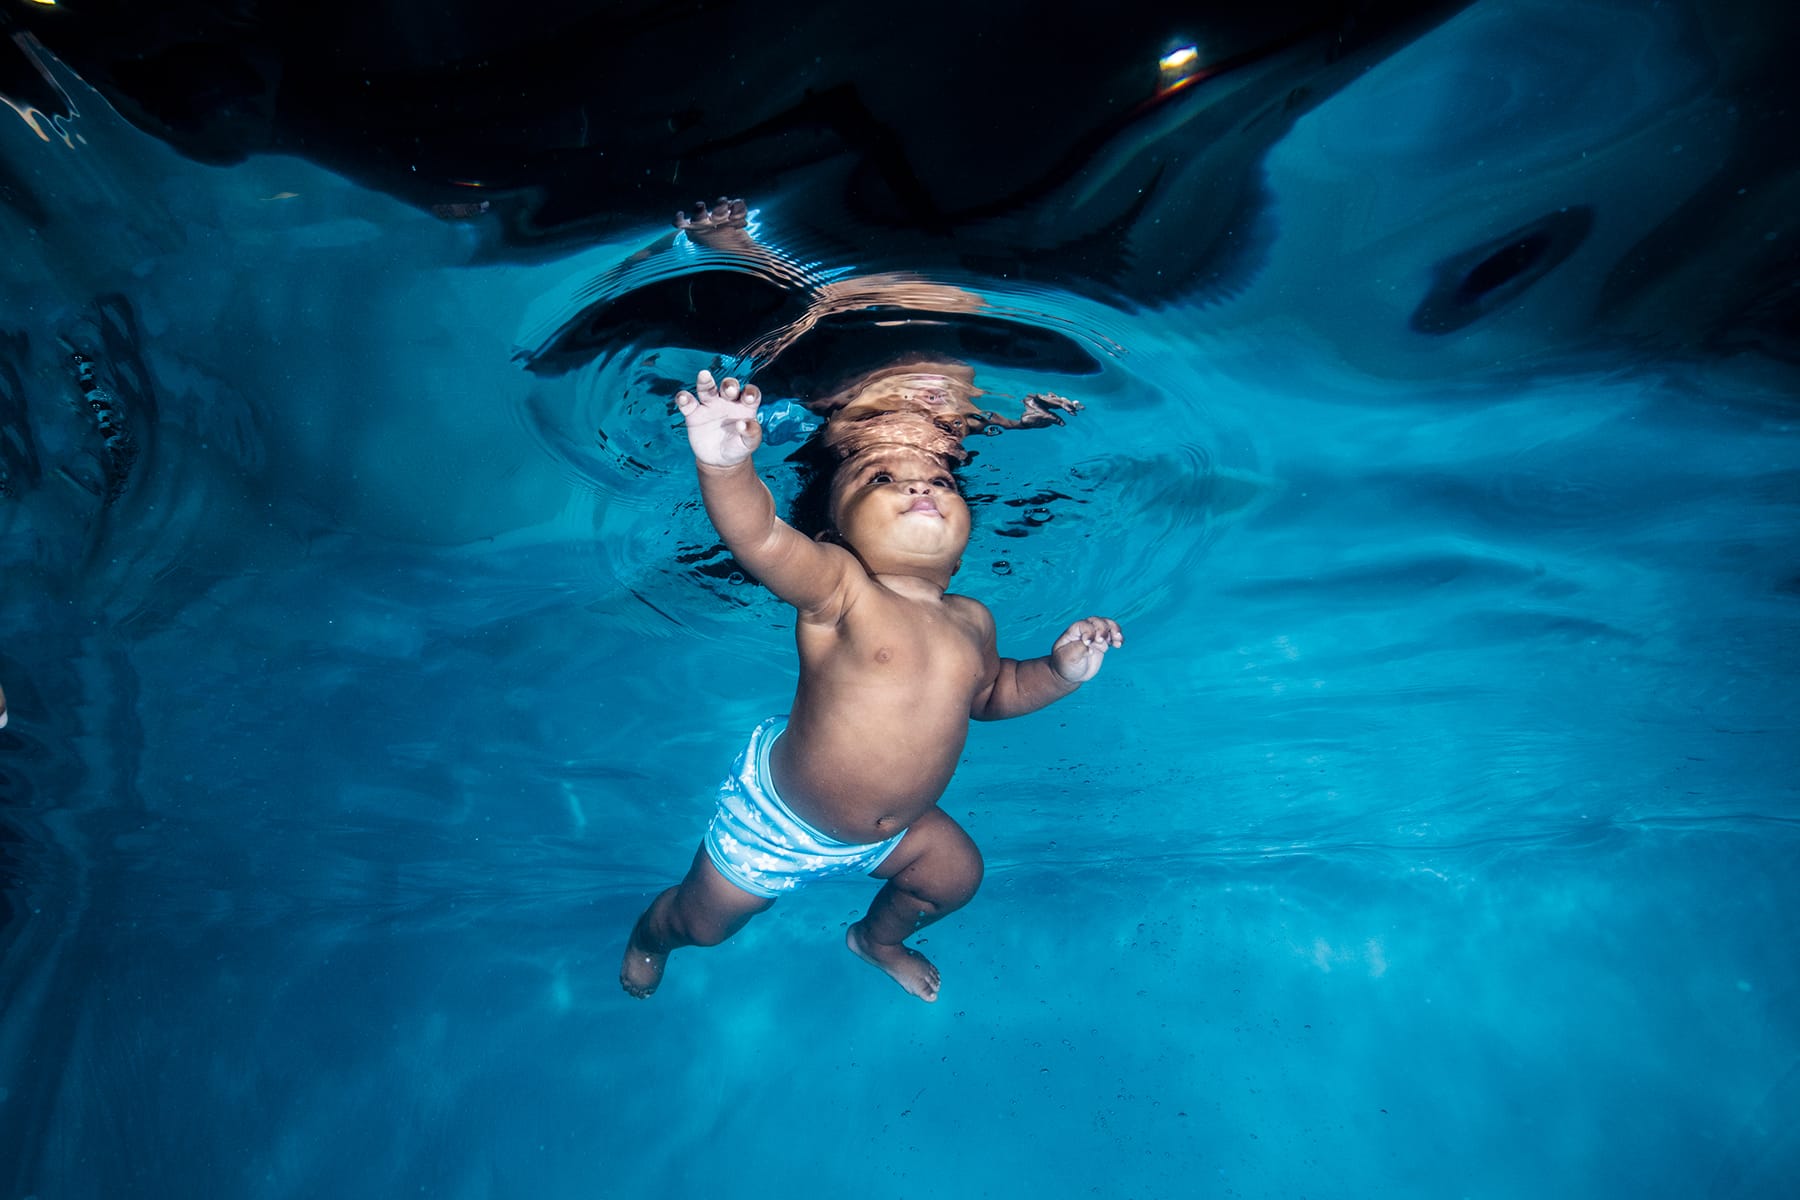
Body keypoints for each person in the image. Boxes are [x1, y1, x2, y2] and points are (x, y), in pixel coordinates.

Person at [619, 370, 1123, 1002]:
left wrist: (1058, 673)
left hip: (895, 832)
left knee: (957, 877)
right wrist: (726, 468)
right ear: (835, 536)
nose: (920, 481)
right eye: (880, 479)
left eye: (941, 480)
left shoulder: (973, 620)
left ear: (962, 545)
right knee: (702, 925)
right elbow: (761, 537)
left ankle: (876, 940)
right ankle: (650, 937)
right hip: (781, 825)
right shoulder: (840, 590)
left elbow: (994, 694)